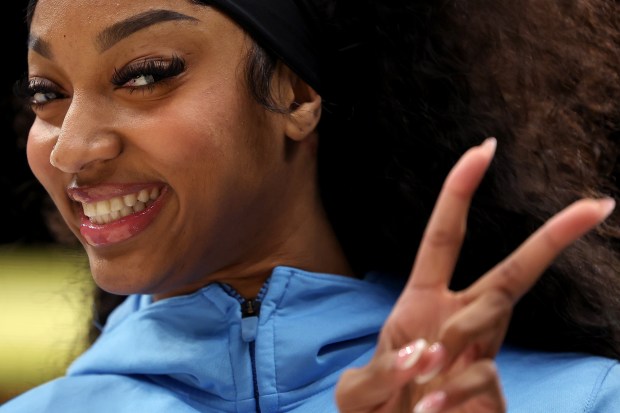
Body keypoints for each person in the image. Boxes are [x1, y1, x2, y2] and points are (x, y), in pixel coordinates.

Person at [2, 0, 620, 412]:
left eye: (143, 74)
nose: (72, 149)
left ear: (295, 93)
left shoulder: (585, 398)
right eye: (46, 92)